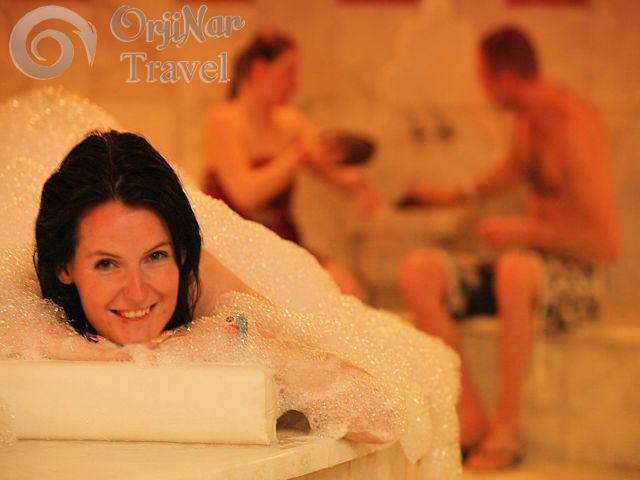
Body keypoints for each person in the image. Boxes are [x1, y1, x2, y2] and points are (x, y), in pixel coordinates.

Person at [0, 112, 460, 478]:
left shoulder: (202, 282)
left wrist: (245, 344)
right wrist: (84, 352)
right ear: (64, 267)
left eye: (155, 256)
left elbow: (381, 415)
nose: (137, 291)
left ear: (181, 252)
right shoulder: (27, 290)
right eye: (107, 264)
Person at [397, 25, 620, 470]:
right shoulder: (526, 120)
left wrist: (526, 231)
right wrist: (454, 195)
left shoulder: (576, 127)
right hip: (527, 267)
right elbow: (513, 172)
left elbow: (606, 243)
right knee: (419, 270)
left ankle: (508, 430)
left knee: (515, 268)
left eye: (483, 78)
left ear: (505, 79)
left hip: (576, 277)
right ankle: (470, 417)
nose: (482, 90)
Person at [203, 30, 376, 299]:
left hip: (282, 242)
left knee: (344, 285)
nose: (294, 85)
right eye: (288, 73)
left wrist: (360, 185)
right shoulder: (224, 121)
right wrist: (297, 155)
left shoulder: (290, 122)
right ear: (260, 69)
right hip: (234, 250)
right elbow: (245, 194)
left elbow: (331, 168)